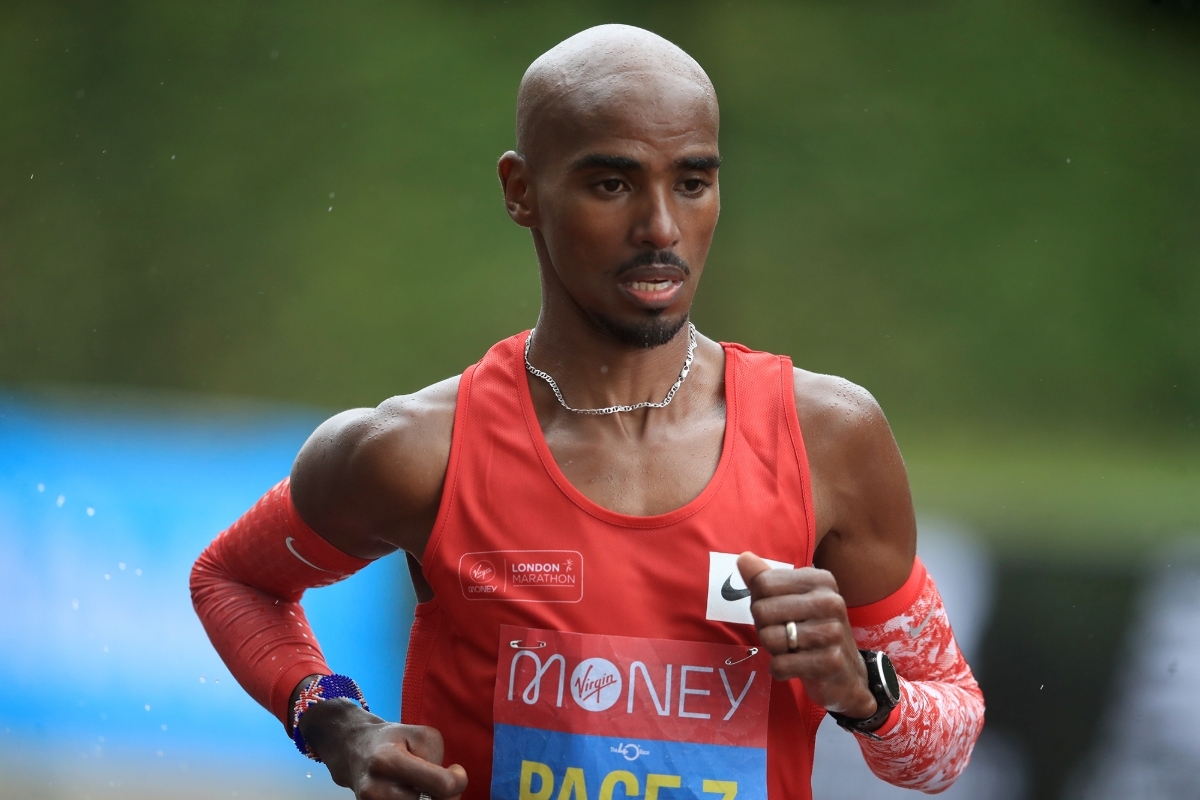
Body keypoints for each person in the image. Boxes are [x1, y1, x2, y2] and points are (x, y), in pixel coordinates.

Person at [191, 24, 983, 800]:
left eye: (692, 182)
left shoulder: (828, 438)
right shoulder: (418, 451)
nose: (661, 229)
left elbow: (944, 747)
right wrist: (337, 724)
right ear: (521, 191)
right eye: (612, 184)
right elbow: (231, 579)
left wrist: (862, 690)